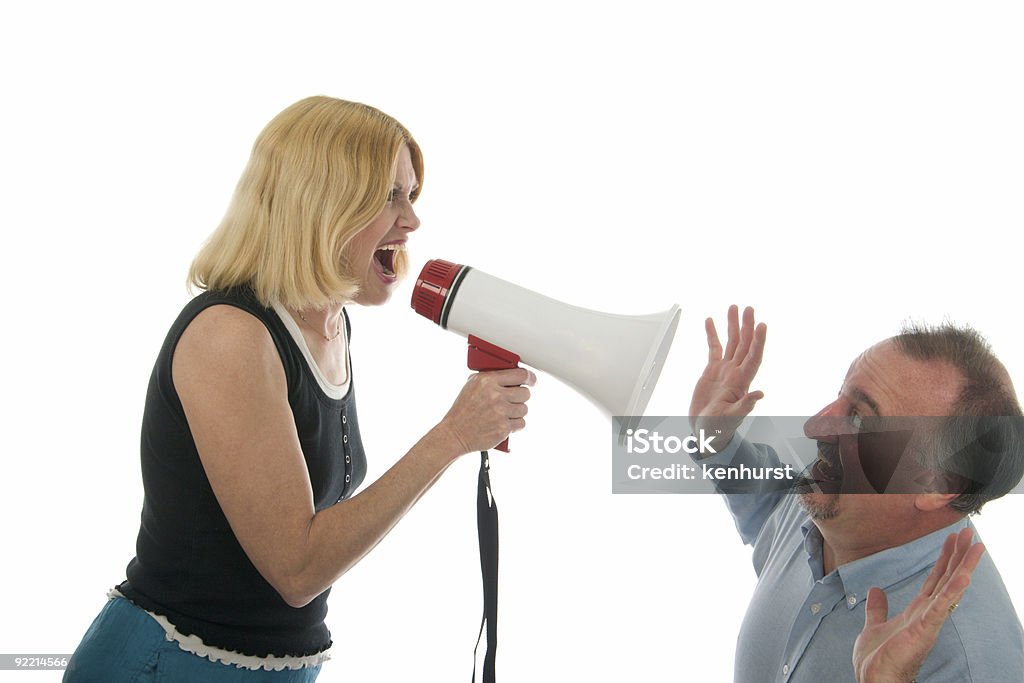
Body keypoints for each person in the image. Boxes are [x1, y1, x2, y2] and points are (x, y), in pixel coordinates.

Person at [64, 96, 535, 681]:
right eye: (390, 195)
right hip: (168, 664)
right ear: (322, 204)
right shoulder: (230, 335)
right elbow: (297, 568)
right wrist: (453, 436)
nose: (411, 220)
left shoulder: (333, 326)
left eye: (411, 195)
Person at [689, 305, 1024, 682]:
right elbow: (773, 510)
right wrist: (716, 441)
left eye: (860, 418)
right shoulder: (836, 499)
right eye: (840, 398)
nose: (815, 426)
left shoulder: (972, 664)